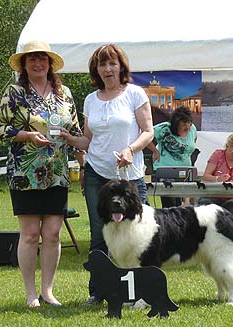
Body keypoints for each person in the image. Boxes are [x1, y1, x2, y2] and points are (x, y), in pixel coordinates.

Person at [60, 44, 154, 305]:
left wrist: (130, 149)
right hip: (96, 174)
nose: (108, 69)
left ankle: (141, 292)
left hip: (129, 176)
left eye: (112, 63)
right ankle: (97, 292)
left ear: (121, 67)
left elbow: (148, 132)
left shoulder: (135, 94)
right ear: (96, 70)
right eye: (103, 64)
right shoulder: (91, 100)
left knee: (136, 235)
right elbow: (88, 140)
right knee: (99, 233)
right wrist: (71, 139)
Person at [0, 40, 84, 308]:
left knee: (54, 233)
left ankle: (48, 291)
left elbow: (76, 131)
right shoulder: (13, 92)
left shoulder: (65, 93)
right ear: (24, 64)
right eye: (31, 59)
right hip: (25, 173)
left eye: (42, 58)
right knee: (31, 233)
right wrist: (26, 135)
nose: (37, 63)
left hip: (57, 173)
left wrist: (83, 160)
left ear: (50, 63)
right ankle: (30, 294)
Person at [146, 106, 198, 207]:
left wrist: (187, 153)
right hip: (164, 171)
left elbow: (193, 141)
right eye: (183, 124)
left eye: (189, 123)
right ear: (176, 123)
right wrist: (155, 150)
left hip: (185, 172)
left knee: (185, 206)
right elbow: (146, 135)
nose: (187, 126)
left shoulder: (192, 129)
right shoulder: (164, 128)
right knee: (170, 205)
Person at [198, 133, 233, 219]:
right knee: (206, 208)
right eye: (231, 152)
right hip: (212, 195)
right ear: (227, 147)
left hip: (230, 197)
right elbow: (205, 176)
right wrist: (217, 178)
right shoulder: (218, 155)